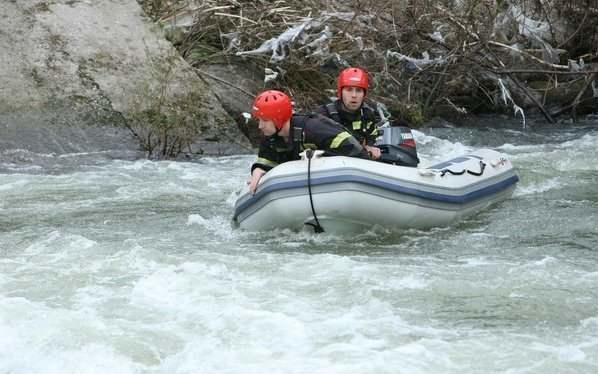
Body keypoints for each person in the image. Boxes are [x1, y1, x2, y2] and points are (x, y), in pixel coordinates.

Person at [248, 89, 369, 194]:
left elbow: (357, 153)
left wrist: (321, 159)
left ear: (278, 119)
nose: (260, 126)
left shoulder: (314, 128)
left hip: (338, 183)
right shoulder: (269, 137)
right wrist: (258, 169)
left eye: (264, 120)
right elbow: (266, 163)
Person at [315, 67, 382, 160]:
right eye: (349, 90)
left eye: (358, 90)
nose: (354, 95)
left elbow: (372, 138)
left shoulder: (367, 115)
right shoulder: (324, 115)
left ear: (364, 94)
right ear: (340, 92)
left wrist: (371, 147)